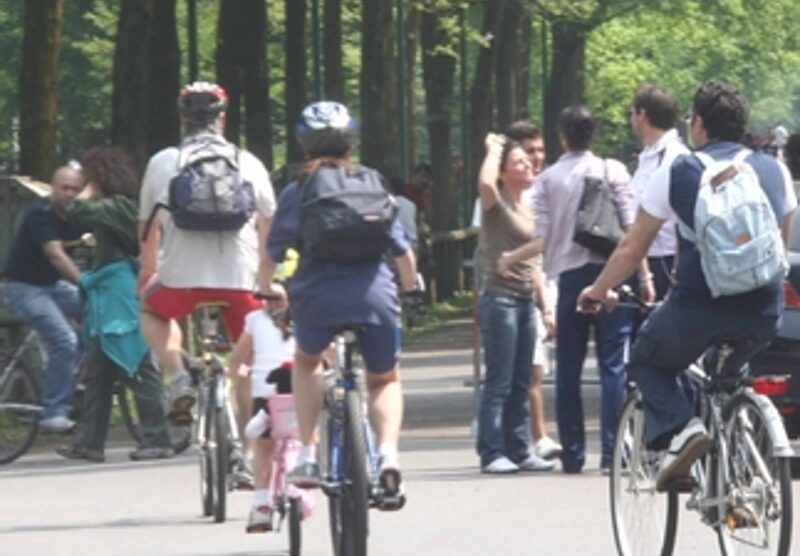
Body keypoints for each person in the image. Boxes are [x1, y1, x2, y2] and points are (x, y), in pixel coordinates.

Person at [577, 80, 797, 490]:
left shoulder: (680, 170)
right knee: (732, 373)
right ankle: (739, 473)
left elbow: (631, 247)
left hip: (699, 308)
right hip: (764, 311)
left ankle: (682, 430)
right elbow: (779, 245)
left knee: (646, 358)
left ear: (697, 124)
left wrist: (597, 289)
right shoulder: (775, 170)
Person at [262, 101, 417, 502]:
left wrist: (265, 287)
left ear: (304, 146)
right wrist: (410, 285)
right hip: (374, 297)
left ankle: (310, 454)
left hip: (316, 297)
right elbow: (401, 251)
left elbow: (273, 250)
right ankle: (387, 456)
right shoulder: (372, 182)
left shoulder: (299, 190)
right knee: (384, 378)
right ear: (352, 143)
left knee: (308, 361)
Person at [498, 105, 646, 474]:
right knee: (613, 364)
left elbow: (543, 238)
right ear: (592, 134)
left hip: (570, 279)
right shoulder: (614, 170)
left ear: (562, 136)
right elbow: (632, 230)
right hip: (614, 273)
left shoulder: (547, 180)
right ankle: (613, 452)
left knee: (569, 367)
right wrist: (644, 276)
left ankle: (575, 453)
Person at [137, 81, 276, 418]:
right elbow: (269, 225)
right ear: (223, 120)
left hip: (180, 281)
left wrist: (147, 273)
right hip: (241, 283)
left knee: (150, 310)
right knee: (248, 363)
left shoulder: (163, 162)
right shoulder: (248, 162)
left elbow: (147, 227)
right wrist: (266, 278)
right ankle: (248, 446)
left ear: (183, 121)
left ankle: (179, 374)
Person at [56, 147, 174, 462]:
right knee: (99, 370)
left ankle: (158, 438)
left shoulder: (116, 206)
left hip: (120, 296)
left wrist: (92, 186)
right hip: (112, 295)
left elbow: (77, 211)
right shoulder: (119, 207)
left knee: (136, 365)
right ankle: (90, 442)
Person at [472, 121, 562, 462]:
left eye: (529, 160)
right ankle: (492, 451)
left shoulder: (530, 206)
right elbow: (484, 181)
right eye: (521, 162)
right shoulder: (494, 204)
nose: (529, 165)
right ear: (504, 172)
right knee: (499, 380)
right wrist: (495, 148)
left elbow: (536, 261)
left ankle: (519, 448)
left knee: (523, 381)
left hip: (525, 300)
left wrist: (545, 307)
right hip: (500, 299)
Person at [1, 164, 85, 433]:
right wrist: (86, 283)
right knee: (65, 340)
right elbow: (56, 256)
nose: (69, 194)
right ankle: (53, 412)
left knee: (99, 309)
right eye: (64, 188)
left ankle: (75, 377)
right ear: (52, 187)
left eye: (75, 189)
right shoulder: (40, 214)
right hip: (22, 287)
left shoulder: (73, 216)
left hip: (51, 285)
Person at [228, 284, 298, 532]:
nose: (270, 304)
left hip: (266, 394)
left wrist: (243, 374)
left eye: (275, 298)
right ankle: (269, 498)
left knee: (263, 447)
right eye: (265, 299)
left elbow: (237, 361)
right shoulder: (305, 316)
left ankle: (261, 503)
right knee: (303, 438)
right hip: (297, 392)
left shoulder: (255, 320)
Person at [629, 84, 690, 302]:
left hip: (664, 263)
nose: (631, 119)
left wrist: (675, 272)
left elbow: (683, 218)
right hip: (642, 259)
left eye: (632, 113)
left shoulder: (674, 158)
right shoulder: (649, 156)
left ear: (642, 115)